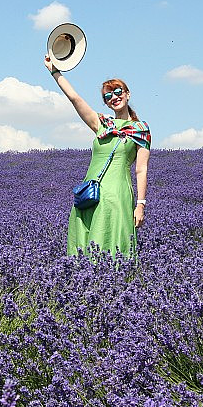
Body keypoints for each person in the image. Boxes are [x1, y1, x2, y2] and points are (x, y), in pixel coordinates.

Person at [44, 55, 151, 259]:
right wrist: (54, 71)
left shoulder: (140, 129)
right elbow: (75, 98)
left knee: (112, 242)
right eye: (108, 96)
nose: (114, 97)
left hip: (116, 194)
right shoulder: (101, 124)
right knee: (82, 246)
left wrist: (140, 204)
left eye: (118, 92)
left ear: (128, 94)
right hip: (90, 192)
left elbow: (141, 169)